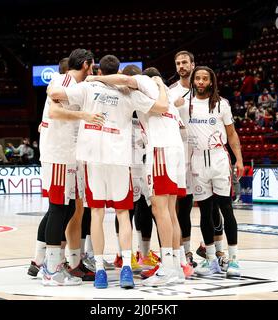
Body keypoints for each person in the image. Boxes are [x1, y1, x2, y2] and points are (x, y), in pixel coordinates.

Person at [47, 54, 169, 289]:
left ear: (98, 71)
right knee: (123, 215)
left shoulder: (88, 87)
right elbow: (161, 107)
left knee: (96, 215)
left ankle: (101, 270)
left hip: (93, 160)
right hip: (120, 160)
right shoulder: (128, 92)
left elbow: (55, 94)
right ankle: (125, 269)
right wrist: (159, 86)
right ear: (118, 72)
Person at [87, 66, 190, 285]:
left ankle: (168, 268)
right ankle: (177, 266)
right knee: (171, 211)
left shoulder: (142, 83)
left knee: (159, 209)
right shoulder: (163, 92)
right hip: (176, 150)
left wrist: (98, 78)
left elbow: (125, 79)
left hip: (161, 150)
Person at [28, 49, 102, 286]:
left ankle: (49, 263)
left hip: (71, 156)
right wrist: (85, 115)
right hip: (58, 156)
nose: (92, 70)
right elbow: (53, 111)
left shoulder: (76, 86)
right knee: (58, 209)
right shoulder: (63, 80)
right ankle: (51, 269)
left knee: (67, 210)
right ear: (86, 64)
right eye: (91, 66)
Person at [184, 66, 244, 278]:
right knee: (205, 212)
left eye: (204, 79)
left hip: (219, 159)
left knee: (226, 209)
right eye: (197, 78)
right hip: (197, 160)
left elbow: (232, 134)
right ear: (193, 81)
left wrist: (239, 159)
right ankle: (210, 260)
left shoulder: (221, 104)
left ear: (211, 82)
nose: (200, 81)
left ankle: (234, 260)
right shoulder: (185, 104)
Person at [168, 50, 198, 269]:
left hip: (204, 153)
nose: (181, 66)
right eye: (178, 63)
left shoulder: (205, 89)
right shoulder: (171, 92)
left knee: (211, 205)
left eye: (184, 62)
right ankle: (183, 253)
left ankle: (213, 250)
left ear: (193, 64)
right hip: (181, 152)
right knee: (182, 206)